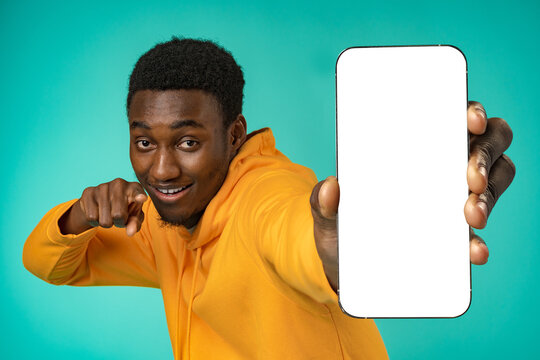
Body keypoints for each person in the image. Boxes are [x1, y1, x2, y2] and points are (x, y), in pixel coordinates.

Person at [23, 38, 515, 359]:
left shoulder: (264, 195)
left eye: (188, 141)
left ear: (234, 134)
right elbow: (49, 264)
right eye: (145, 142)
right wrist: (79, 216)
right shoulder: (160, 223)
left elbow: (293, 233)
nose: (162, 169)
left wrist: (340, 250)